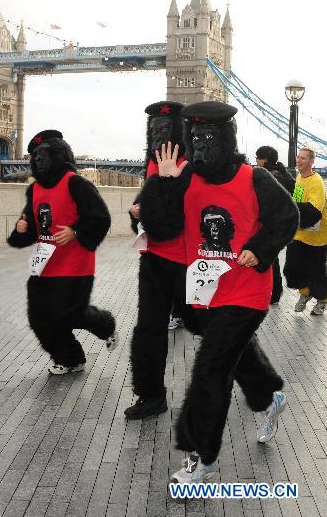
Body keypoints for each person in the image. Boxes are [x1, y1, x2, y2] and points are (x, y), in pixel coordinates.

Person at [139, 101, 299, 484]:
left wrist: (259, 250)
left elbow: (286, 217)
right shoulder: (183, 177)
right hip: (207, 293)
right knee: (234, 355)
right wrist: (160, 183)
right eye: (194, 138)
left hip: (246, 294)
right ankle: (269, 395)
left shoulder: (254, 178)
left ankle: (202, 458)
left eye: (209, 137)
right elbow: (161, 229)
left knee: (211, 368)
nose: (201, 146)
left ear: (226, 139)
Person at [7, 130, 118, 374]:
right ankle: (70, 359)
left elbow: (100, 218)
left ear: (59, 155)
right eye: (35, 156)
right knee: (39, 319)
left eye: (43, 154)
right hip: (44, 266)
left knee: (68, 314)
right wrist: (21, 229)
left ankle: (105, 324)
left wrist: (76, 231)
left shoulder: (76, 184)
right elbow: (33, 228)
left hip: (75, 266)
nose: (38, 160)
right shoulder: (34, 190)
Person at [125, 101, 192, 420]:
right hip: (152, 259)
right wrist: (135, 211)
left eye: (165, 130)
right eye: (153, 130)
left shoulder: (191, 164)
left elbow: (174, 219)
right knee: (149, 329)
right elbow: (147, 212)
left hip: (186, 261)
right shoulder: (152, 164)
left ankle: (261, 387)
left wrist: (161, 186)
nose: (158, 136)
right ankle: (151, 395)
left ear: (178, 132)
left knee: (215, 328)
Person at [283, 147, 327, 316]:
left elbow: (314, 210)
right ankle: (305, 293)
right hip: (300, 232)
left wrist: (292, 208)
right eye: (298, 157)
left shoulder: (316, 182)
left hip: (317, 236)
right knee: (293, 267)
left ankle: (322, 300)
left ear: (311, 162)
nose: (298, 160)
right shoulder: (300, 177)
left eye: (303, 158)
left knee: (316, 271)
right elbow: (297, 201)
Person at [255, 145, 296, 303]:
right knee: (273, 259)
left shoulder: (268, 176)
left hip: (270, 223)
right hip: (282, 223)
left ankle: (274, 293)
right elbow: (294, 189)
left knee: (271, 260)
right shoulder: (282, 173)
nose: (256, 161)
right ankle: (275, 293)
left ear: (264, 160)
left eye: (258, 158)